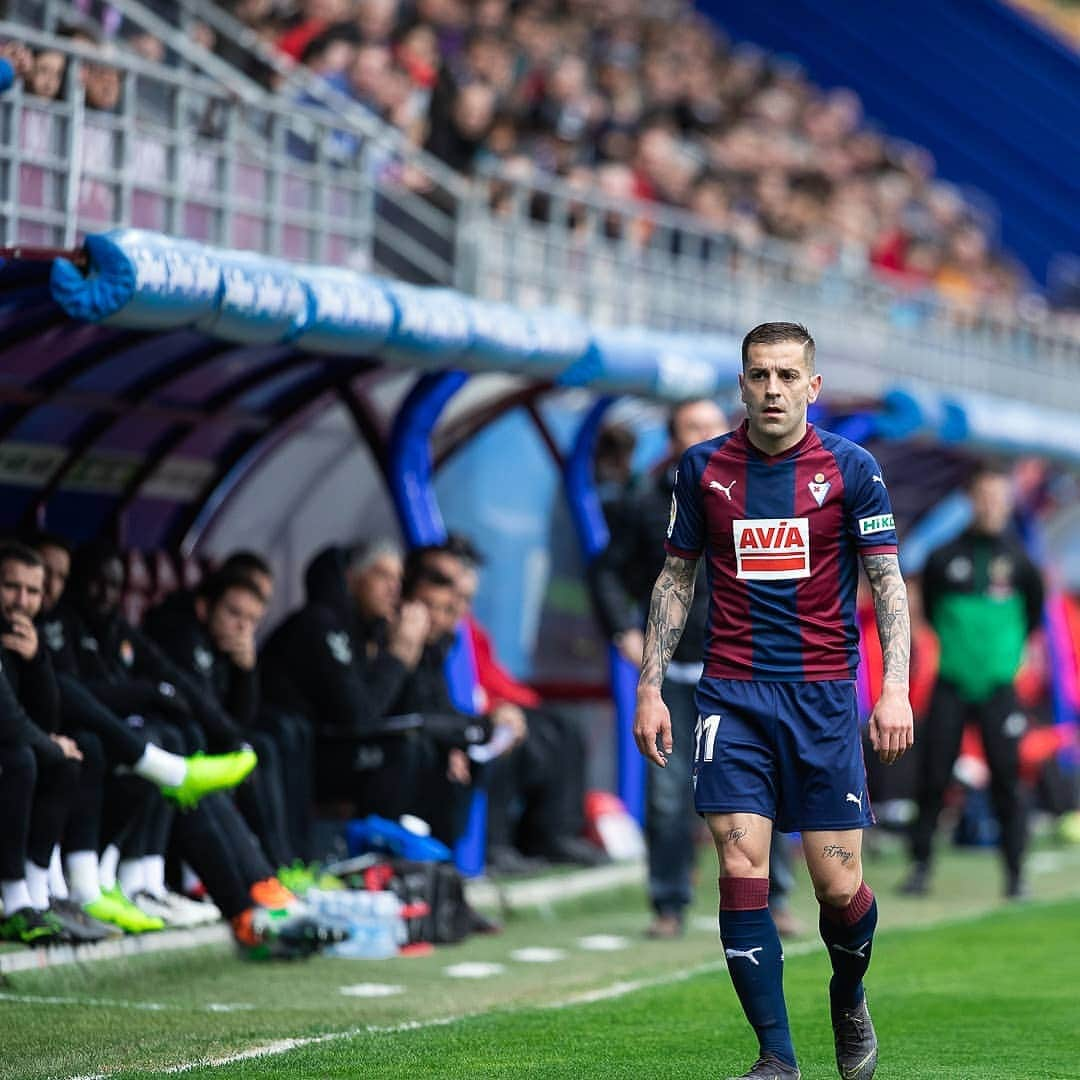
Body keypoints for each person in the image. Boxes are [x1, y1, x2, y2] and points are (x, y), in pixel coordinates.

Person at [633, 322, 913, 1080]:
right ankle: (776, 1057)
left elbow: (886, 583)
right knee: (739, 860)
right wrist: (651, 685)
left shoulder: (851, 469)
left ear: (812, 387)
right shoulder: (703, 471)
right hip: (733, 696)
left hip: (824, 699)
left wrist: (892, 688)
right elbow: (676, 580)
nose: (773, 390)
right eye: (759, 375)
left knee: (837, 885)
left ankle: (849, 996)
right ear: (742, 384)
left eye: (788, 376)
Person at [590, 398, 802, 939]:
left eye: (713, 425)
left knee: (764, 788)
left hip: (750, 672)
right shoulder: (647, 504)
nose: (706, 436)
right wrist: (625, 629)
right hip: (679, 676)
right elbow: (609, 572)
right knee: (666, 797)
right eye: (692, 428)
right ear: (674, 440)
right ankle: (668, 904)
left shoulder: (764, 493)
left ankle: (775, 901)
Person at [901, 463, 1043, 900]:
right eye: (983, 497)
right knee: (932, 776)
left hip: (1000, 690)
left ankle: (1015, 872)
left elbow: (1032, 617)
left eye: (999, 498)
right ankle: (921, 866)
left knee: (1007, 780)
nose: (991, 506)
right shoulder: (944, 558)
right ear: (970, 501)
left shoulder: (1021, 563)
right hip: (952, 683)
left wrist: (1004, 659)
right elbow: (930, 613)